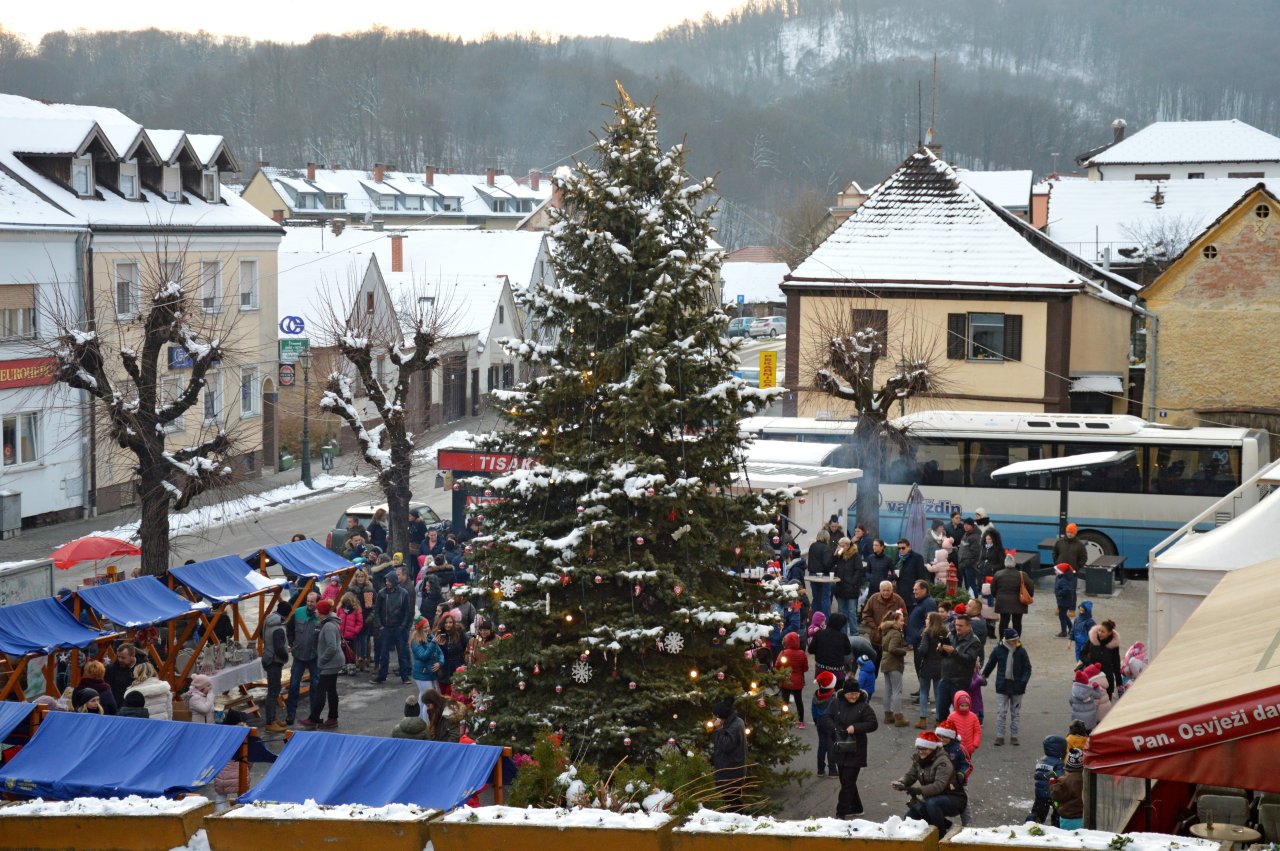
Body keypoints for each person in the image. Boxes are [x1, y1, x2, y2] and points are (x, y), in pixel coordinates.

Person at [820, 679, 878, 818]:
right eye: (851, 694)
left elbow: (873, 724)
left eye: (856, 694)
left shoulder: (863, 707)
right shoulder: (835, 703)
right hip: (840, 748)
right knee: (846, 781)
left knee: (847, 782)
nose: (854, 696)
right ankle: (857, 808)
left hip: (856, 750)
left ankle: (841, 813)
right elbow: (826, 717)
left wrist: (855, 728)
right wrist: (835, 729)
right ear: (845, 693)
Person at [892, 731, 966, 833]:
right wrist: (902, 783)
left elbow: (938, 786)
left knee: (932, 804)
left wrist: (918, 790)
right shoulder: (918, 759)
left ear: (933, 748)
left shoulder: (943, 761)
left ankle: (941, 833)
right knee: (909, 818)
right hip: (931, 798)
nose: (921, 751)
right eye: (919, 748)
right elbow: (911, 775)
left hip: (953, 798)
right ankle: (948, 825)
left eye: (924, 749)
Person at [983, 628, 1032, 746]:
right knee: (1001, 712)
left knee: (1015, 712)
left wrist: (1023, 682)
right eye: (1013, 640)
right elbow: (990, 664)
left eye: (1017, 639)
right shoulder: (998, 650)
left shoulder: (1021, 651)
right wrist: (983, 676)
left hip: (1018, 687)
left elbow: (1027, 668)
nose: (1016, 642)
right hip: (1002, 685)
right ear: (1007, 640)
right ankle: (1000, 735)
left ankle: (1014, 735)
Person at [304, 598, 342, 728]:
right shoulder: (328, 623)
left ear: (321, 612)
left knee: (321, 690)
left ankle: (314, 718)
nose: (315, 611)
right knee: (331, 690)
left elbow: (332, 647)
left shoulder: (328, 626)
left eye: (317, 610)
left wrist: (321, 660)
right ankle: (332, 718)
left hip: (331, 663)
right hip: (334, 662)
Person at [284, 592, 320, 724]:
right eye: (308, 601)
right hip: (298, 655)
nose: (310, 604)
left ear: (317, 602)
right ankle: (290, 713)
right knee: (293, 685)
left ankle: (314, 715)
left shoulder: (320, 616)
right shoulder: (298, 612)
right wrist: (292, 642)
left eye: (312, 602)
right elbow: (289, 628)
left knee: (315, 686)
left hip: (314, 656)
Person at [372, 571, 413, 684]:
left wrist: (403, 626)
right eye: (386, 580)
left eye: (389, 580)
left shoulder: (403, 593)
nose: (387, 583)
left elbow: (407, 612)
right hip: (386, 628)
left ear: (394, 581)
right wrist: (380, 626)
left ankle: (405, 677)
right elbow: (377, 611)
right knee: (383, 654)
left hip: (399, 628)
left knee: (402, 654)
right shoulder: (381, 593)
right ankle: (382, 676)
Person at [938, 614, 980, 721]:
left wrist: (953, 652)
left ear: (968, 626)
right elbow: (945, 656)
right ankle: (945, 734)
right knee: (941, 710)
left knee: (959, 712)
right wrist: (940, 650)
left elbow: (969, 660)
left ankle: (959, 734)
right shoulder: (951, 635)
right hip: (945, 678)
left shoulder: (974, 641)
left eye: (961, 625)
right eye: (956, 624)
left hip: (959, 682)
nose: (957, 627)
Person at [710, 698, 747, 814]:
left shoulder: (734, 727)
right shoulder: (736, 721)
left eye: (715, 717)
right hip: (731, 769)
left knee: (732, 802)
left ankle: (735, 824)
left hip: (731, 772)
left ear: (721, 717)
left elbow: (726, 745)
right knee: (732, 800)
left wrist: (719, 730)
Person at [862, 581, 906, 671]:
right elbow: (866, 614)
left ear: (892, 590)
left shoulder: (898, 600)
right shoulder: (873, 598)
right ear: (880, 590)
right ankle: (872, 681)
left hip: (892, 638)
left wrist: (895, 627)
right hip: (876, 636)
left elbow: (904, 616)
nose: (886, 592)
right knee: (874, 662)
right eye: (883, 590)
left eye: (888, 590)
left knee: (891, 665)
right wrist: (875, 626)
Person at [904, 579, 937, 698]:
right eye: (913, 589)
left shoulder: (928, 603)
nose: (914, 591)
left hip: (921, 641)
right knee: (919, 667)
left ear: (924, 590)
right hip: (916, 641)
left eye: (916, 589)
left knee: (922, 668)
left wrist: (919, 634)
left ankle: (924, 694)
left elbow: (930, 621)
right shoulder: (920, 602)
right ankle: (922, 690)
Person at [916, 612, 947, 728]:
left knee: (924, 692)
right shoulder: (944, 632)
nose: (926, 620)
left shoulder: (927, 632)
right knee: (938, 694)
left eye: (928, 618)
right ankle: (939, 720)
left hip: (927, 665)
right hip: (940, 666)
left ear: (932, 620)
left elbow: (923, 650)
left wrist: (919, 650)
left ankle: (922, 719)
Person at [213, 709, 248, 812]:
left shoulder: (221, 737)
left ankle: (219, 815)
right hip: (241, 774)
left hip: (222, 776)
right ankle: (243, 813)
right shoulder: (244, 736)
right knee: (242, 795)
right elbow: (250, 759)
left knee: (221, 796)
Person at [261, 605, 289, 732]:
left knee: (274, 691)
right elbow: (279, 648)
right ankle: (270, 722)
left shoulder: (268, 621)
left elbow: (262, 636)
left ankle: (273, 718)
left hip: (267, 657)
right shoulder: (278, 628)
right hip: (274, 661)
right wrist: (286, 655)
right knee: (273, 692)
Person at [879, 609, 909, 728]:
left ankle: (888, 715)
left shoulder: (886, 631)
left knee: (888, 689)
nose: (903, 623)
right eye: (901, 621)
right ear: (895, 620)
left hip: (886, 662)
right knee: (897, 690)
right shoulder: (896, 633)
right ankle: (898, 717)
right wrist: (904, 651)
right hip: (894, 663)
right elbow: (892, 648)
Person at [410, 617, 444, 716]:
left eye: (428, 626)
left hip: (431, 673)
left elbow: (440, 653)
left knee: (423, 697)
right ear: (419, 628)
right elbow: (423, 656)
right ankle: (426, 723)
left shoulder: (430, 637)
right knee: (428, 700)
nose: (427, 629)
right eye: (424, 627)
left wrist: (440, 663)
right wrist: (433, 643)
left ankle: (421, 720)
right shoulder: (415, 641)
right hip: (422, 674)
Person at [992, 553, 1031, 636]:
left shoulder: (998, 574)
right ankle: (1016, 640)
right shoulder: (1023, 575)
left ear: (1005, 563)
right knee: (1017, 621)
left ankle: (1002, 639)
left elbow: (993, 590)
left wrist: (998, 596)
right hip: (1018, 602)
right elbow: (1030, 588)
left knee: (1003, 621)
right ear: (1014, 563)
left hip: (1002, 602)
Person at [1030, 735, 1067, 824]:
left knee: (1037, 813)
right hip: (1053, 793)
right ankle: (1056, 825)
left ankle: (1031, 823)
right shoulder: (1058, 763)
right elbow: (1060, 777)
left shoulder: (1042, 760)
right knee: (1058, 812)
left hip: (1040, 793)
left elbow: (1038, 775)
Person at [776, 632, 809, 728]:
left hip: (786, 681)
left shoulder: (783, 653)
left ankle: (782, 721)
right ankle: (801, 721)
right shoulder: (802, 653)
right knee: (799, 700)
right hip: (798, 681)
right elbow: (805, 668)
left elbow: (777, 665)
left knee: (784, 701)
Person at [832, 537, 864, 632]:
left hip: (851, 588)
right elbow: (831, 565)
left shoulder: (855, 556)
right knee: (842, 612)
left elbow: (859, 570)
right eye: (840, 545)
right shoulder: (840, 555)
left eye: (842, 545)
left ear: (848, 545)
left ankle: (854, 633)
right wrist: (835, 556)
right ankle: (843, 633)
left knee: (851, 612)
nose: (841, 547)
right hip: (841, 587)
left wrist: (852, 582)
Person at [808, 611, 852, 680]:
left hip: (821, 670)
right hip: (837, 672)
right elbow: (848, 651)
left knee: (822, 690)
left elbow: (810, 650)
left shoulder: (819, 634)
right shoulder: (843, 637)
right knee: (838, 689)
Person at [811, 671, 839, 776]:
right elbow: (836, 714)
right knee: (831, 747)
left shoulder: (816, 696)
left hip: (820, 724)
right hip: (831, 725)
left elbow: (813, 710)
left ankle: (820, 769)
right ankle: (832, 770)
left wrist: (816, 720)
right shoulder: (833, 698)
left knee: (821, 747)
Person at [1084, 619, 1122, 697]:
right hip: (1092, 675)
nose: (1100, 633)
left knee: (1106, 702)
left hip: (1107, 677)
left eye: (1103, 632)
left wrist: (1119, 682)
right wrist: (1088, 662)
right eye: (1099, 631)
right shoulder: (1092, 639)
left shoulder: (1113, 645)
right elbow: (1083, 654)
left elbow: (1116, 663)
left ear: (1109, 633)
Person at [435, 611, 470, 696]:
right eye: (446, 623)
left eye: (450, 622)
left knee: (457, 693)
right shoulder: (439, 634)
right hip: (444, 667)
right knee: (444, 694)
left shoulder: (460, 633)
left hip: (457, 665)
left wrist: (466, 657)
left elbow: (468, 645)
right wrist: (437, 644)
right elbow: (435, 653)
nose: (448, 625)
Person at [350, 570, 378, 671]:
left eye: (362, 576)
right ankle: (357, 659)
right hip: (355, 617)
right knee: (356, 639)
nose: (360, 579)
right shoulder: (351, 589)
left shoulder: (369, 589)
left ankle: (365, 660)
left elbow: (375, 604)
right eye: (358, 577)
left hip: (366, 617)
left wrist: (371, 614)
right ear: (356, 578)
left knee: (365, 639)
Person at [1051, 749, 1086, 830]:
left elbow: (1056, 795)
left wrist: (1052, 782)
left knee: (1069, 840)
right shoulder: (1086, 777)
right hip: (1083, 817)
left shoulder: (1064, 780)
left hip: (1069, 818)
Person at [946, 691, 982, 761]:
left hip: (969, 748)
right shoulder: (952, 717)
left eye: (967, 705)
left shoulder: (973, 716)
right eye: (962, 705)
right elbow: (947, 731)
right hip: (955, 748)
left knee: (966, 766)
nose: (965, 708)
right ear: (957, 705)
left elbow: (977, 731)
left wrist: (975, 744)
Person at [807, 529, 835, 617]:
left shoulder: (812, 546)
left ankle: (814, 621)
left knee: (816, 598)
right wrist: (834, 559)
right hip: (823, 577)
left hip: (812, 575)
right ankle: (825, 621)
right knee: (825, 599)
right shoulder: (826, 548)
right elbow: (827, 564)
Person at [894, 540, 928, 611]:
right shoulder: (898, 557)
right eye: (899, 548)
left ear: (908, 547)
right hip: (900, 590)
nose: (901, 550)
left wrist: (919, 592)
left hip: (912, 592)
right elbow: (895, 572)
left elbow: (921, 576)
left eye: (903, 548)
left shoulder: (917, 557)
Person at [104, 644, 138, 708]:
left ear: (132, 656)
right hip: (116, 707)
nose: (120, 660)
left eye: (123, 658)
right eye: (118, 657)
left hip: (133, 707)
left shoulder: (142, 668)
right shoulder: (111, 669)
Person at [956, 519, 981, 598]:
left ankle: (975, 601)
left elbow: (975, 554)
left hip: (970, 566)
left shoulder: (975, 537)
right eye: (964, 524)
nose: (965, 526)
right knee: (967, 585)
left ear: (972, 526)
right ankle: (970, 600)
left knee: (971, 584)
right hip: (964, 564)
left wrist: (966, 564)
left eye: (967, 524)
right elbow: (964, 548)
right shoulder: (967, 534)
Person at [1053, 562, 1077, 638]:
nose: (1055, 572)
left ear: (1060, 572)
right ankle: (1071, 628)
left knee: (1062, 616)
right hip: (1064, 601)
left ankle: (1064, 632)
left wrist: (1059, 593)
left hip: (1064, 601)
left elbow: (1067, 590)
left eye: (1056, 571)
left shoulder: (1062, 580)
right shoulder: (1063, 578)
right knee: (1063, 615)